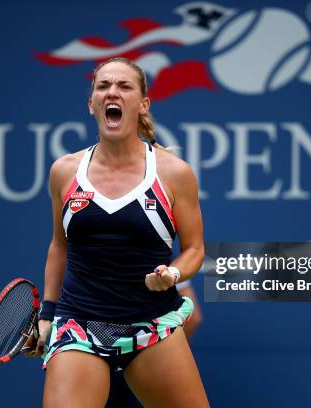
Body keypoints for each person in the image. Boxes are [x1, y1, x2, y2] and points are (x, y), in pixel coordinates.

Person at [25, 57, 209, 408]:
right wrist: (47, 316)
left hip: (152, 325)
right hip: (79, 324)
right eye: (103, 86)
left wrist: (172, 273)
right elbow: (59, 247)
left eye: (125, 86)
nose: (113, 92)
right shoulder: (64, 171)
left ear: (142, 105)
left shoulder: (174, 173)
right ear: (92, 103)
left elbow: (195, 250)